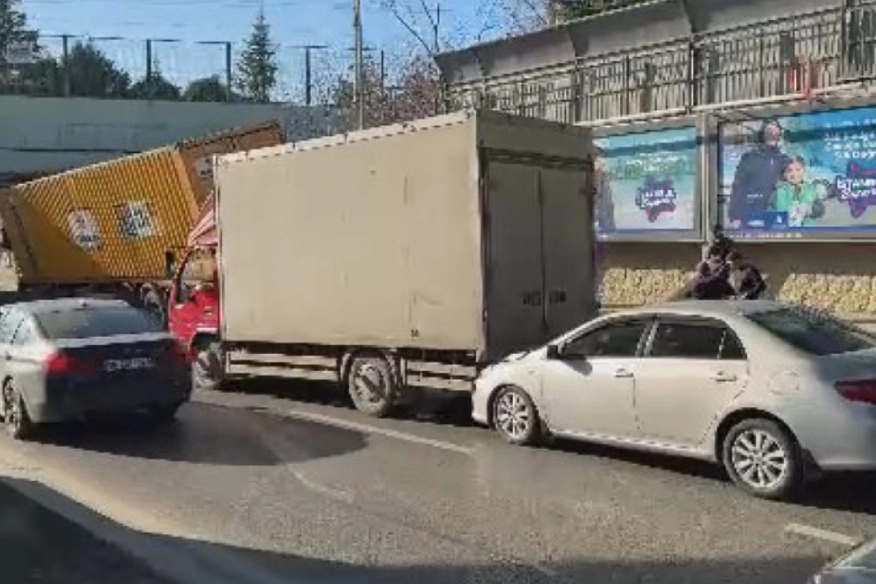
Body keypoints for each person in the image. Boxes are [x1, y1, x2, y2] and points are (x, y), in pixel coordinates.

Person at [727, 120, 790, 229]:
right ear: (763, 134)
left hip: (777, 218)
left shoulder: (785, 160)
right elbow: (738, 187)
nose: (773, 135)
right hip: (752, 217)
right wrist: (735, 216)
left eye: (776, 131)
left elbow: (797, 187)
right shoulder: (749, 158)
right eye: (769, 131)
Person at [771, 155, 824, 228]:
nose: (794, 174)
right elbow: (780, 209)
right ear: (784, 174)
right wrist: (793, 210)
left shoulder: (810, 188)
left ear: (804, 170)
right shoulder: (781, 190)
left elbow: (819, 209)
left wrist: (809, 208)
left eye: (798, 169)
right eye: (789, 171)